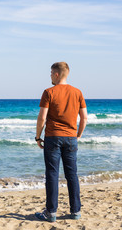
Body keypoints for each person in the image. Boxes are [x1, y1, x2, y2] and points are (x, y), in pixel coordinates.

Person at [35, 62, 88, 222]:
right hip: (71, 138)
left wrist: (38, 137)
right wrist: (78, 135)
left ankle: (51, 213)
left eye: (51, 73)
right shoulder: (77, 92)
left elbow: (42, 117)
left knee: (52, 174)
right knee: (72, 175)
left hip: (53, 137)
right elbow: (84, 117)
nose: (50, 75)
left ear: (57, 74)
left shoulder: (48, 92)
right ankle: (76, 212)